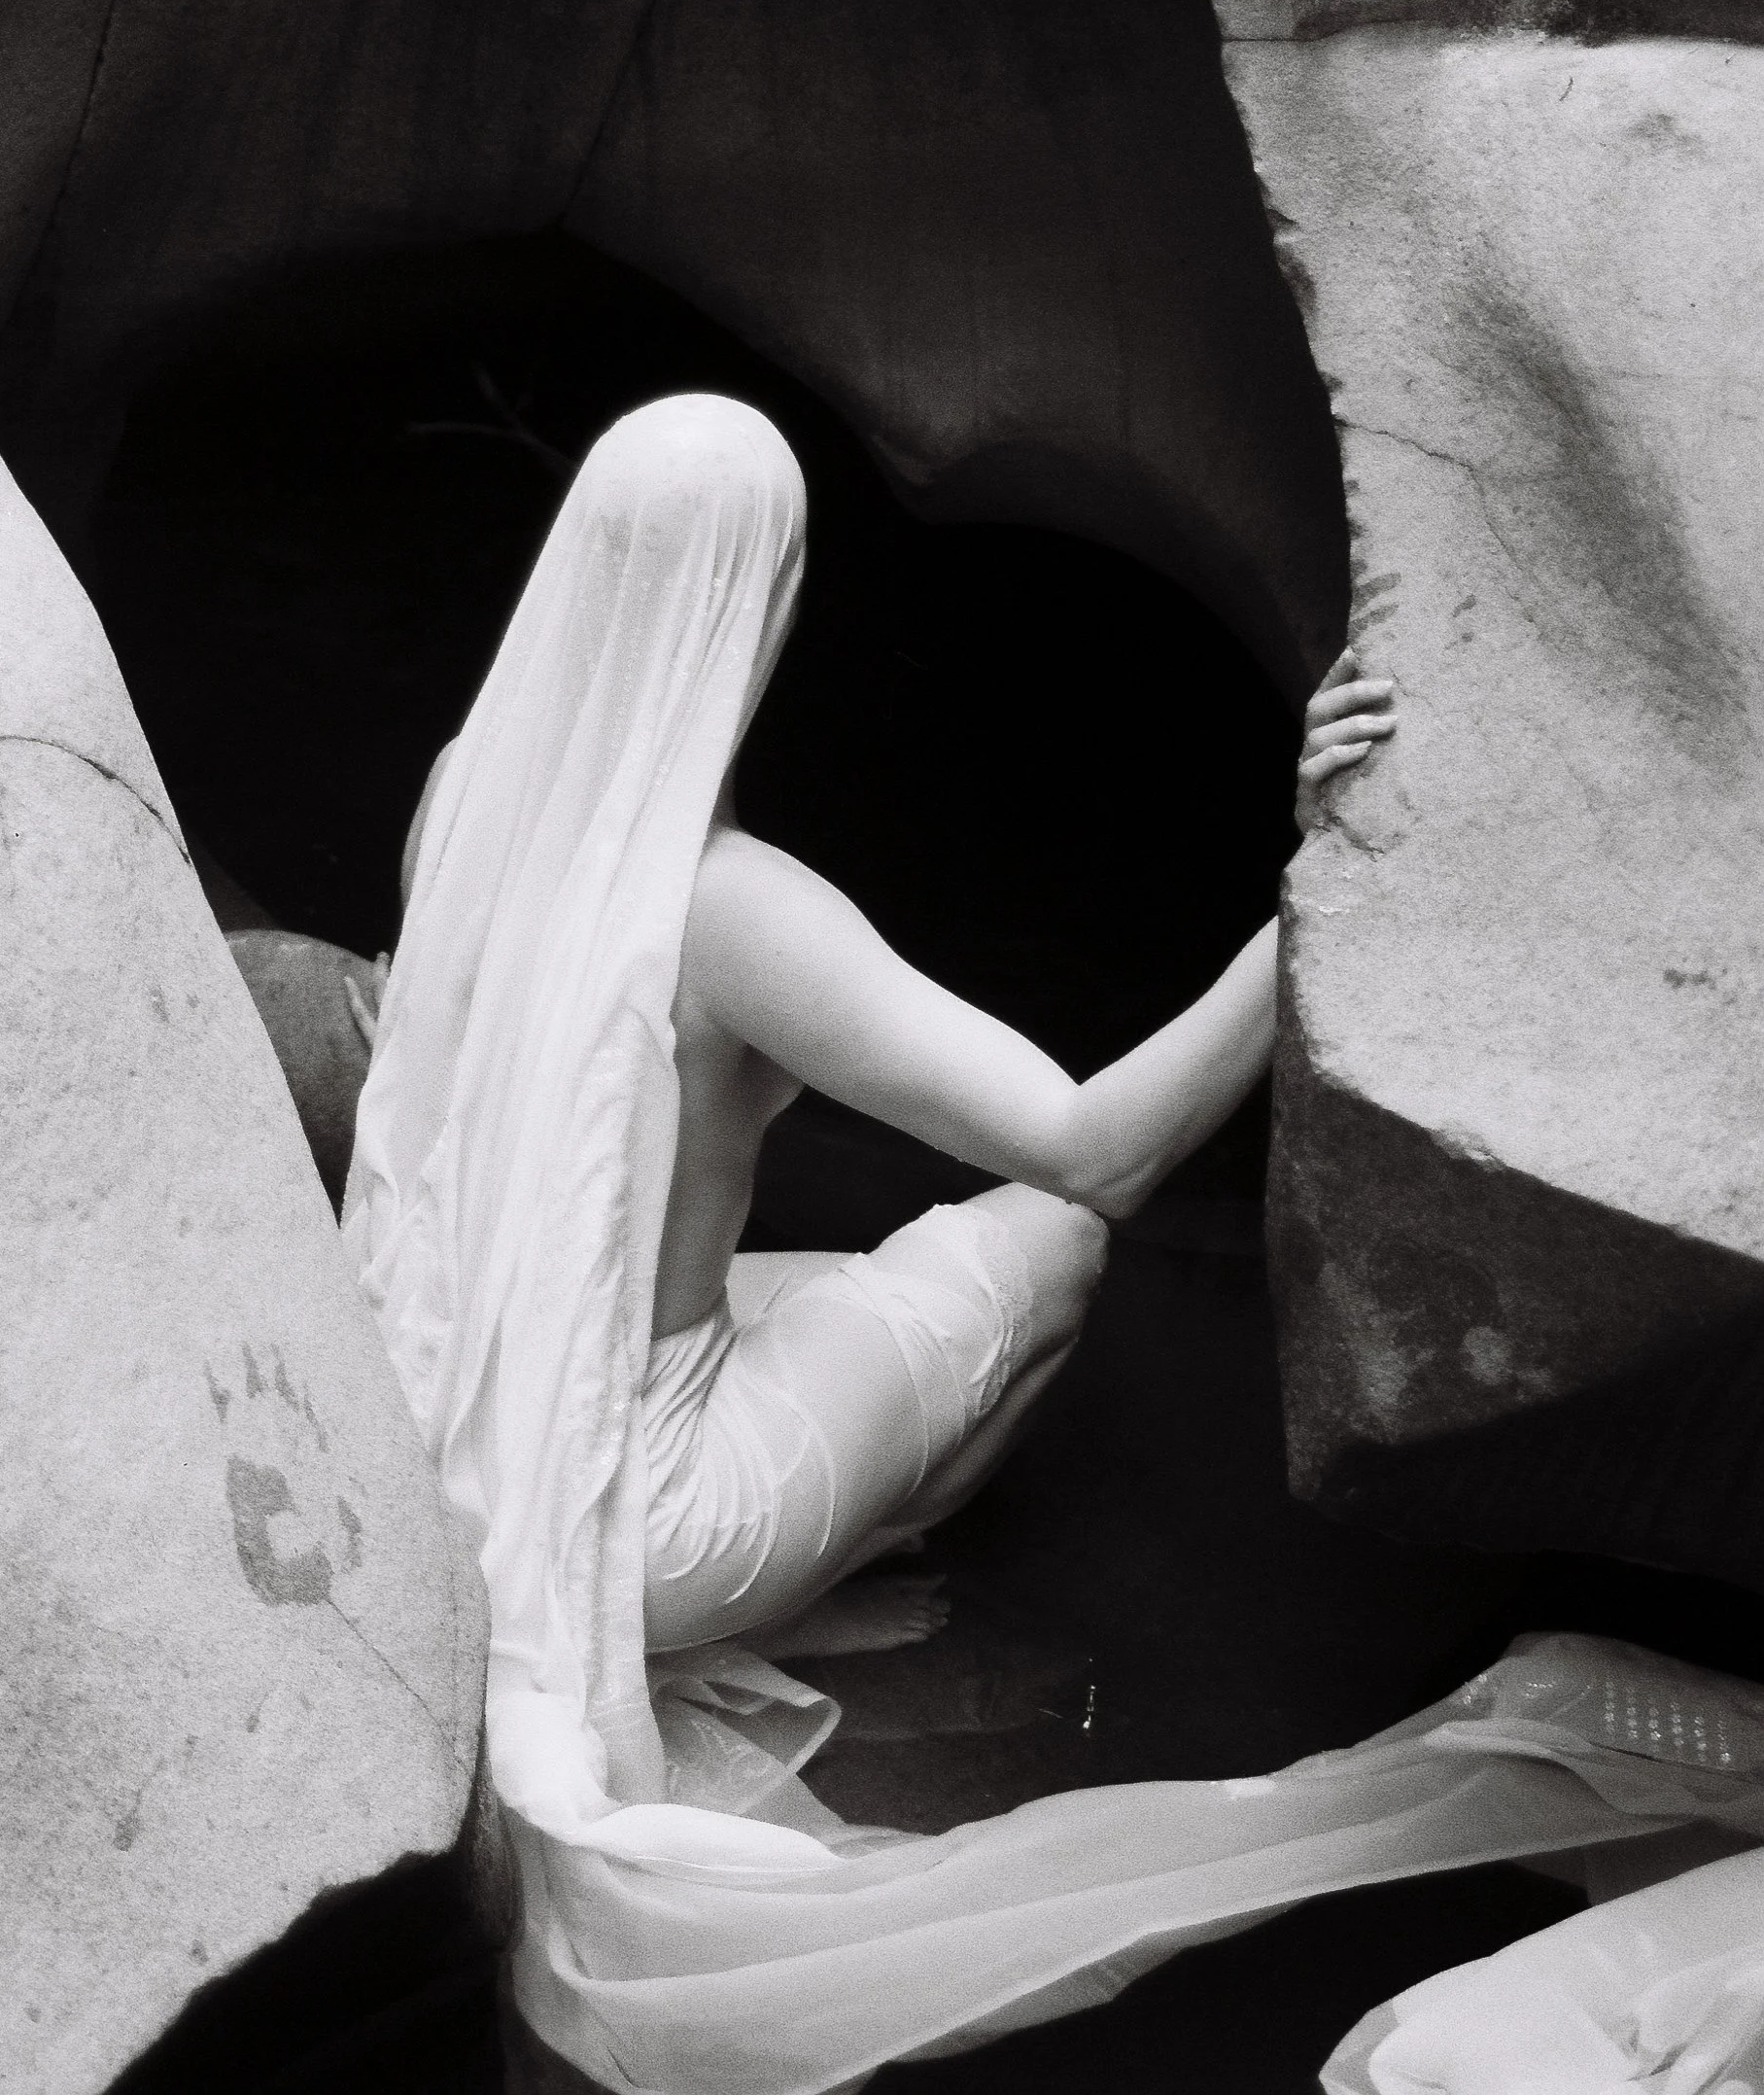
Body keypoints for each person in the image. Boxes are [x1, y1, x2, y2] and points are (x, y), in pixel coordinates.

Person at [339, 396, 1758, 2095]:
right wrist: (1309, 874)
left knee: (816, 1283)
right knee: (1035, 1247)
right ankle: (808, 1571)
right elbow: (1101, 1151)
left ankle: (785, 1544)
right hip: (655, 1513)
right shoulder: (738, 912)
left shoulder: (464, 798)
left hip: (448, 1439)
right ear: (765, 600)